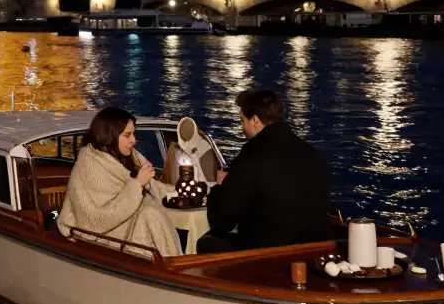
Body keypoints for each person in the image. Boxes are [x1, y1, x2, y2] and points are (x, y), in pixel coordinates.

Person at [199, 89, 331, 253]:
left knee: (206, 243)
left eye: (242, 121)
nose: (243, 127)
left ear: (254, 120)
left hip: (268, 256)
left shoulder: (252, 155)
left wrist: (219, 186)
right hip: (313, 252)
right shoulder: (311, 153)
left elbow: (221, 222)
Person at [58, 106, 182, 258]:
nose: (133, 140)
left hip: (123, 226)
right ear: (110, 136)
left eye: (133, 134)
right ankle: (167, 265)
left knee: (152, 214)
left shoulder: (127, 156)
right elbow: (94, 221)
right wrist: (137, 184)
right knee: (150, 215)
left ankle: (172, 264)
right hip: (98, 236)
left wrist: (182, 191)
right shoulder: (89, 165)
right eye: (127, 135)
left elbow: (157, 188)